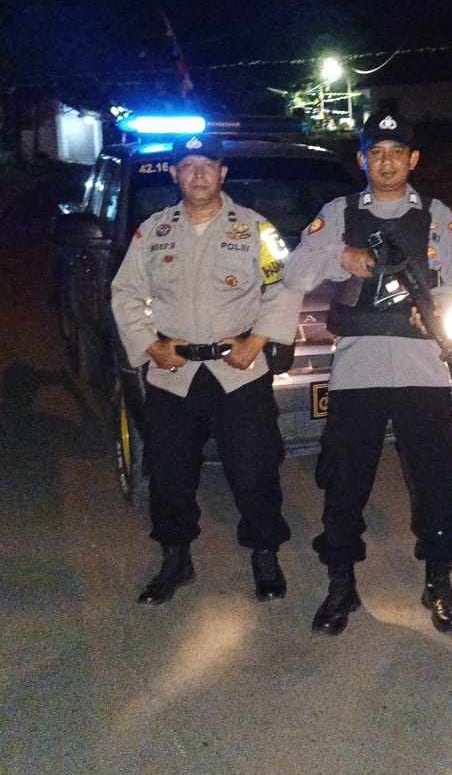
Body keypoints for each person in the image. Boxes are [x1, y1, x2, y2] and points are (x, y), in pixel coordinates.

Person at [282, 111, 452, 635]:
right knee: (345, 482)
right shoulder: (339, 212)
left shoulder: (436, 214)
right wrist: (339, 256)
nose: (386, 162)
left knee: (435, 481)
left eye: (396, 153)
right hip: (358, 368)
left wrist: (433, 302)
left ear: (413, 159)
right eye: (376, 153)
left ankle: (439, 582)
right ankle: (341, 585)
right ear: (362, 159)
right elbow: (293, 273)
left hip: (424, 369)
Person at [111, 131, 302, 605]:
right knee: (169, 474)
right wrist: (150, 346)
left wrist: (257, 341)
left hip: (238, 371)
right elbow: (125, 293)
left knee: (255, 470)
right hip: (173, 374)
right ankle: (176, 558)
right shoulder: (152, 232)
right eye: (188, 165)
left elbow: (285, 286)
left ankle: (265, 555)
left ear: (223, 173)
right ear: (175, 173)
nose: (198, 174)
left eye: (208, 165)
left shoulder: (257, 229)